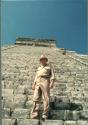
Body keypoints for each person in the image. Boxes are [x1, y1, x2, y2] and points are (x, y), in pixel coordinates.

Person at [30, 55, 55, 119]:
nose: (42, 60)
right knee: (36, 98)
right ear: (40, 61)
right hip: (38, 82)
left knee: (46, 98)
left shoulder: (49, 67)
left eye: (43, 59)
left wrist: (52, 82)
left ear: (46, 60)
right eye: (41, 59)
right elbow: (36, 76)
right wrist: (34, 83)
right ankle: (34, 114)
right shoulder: (39, 68)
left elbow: (52, 75)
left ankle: (45, 114)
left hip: (45, 80)